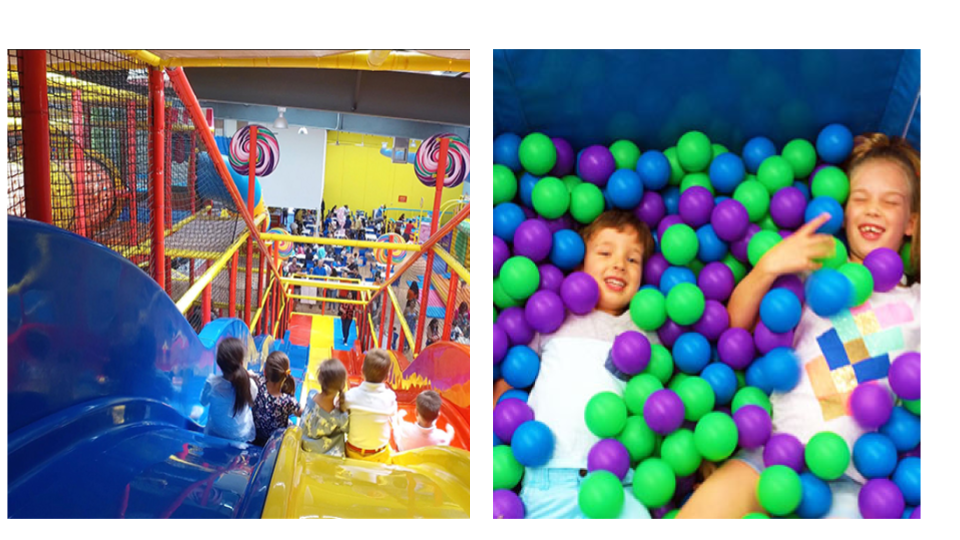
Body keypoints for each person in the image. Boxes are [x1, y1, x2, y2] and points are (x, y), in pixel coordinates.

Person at [678, 133, 921, 519]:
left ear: (911, 223)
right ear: (843, 210)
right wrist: (768, 266)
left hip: (853, 479)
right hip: (773, 454)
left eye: (890, 202)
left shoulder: (918, 303)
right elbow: (734, 328)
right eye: (860, 199)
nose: (874, 210)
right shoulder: (813, 273)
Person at [519, 209, 657, 519]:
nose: (619, 264)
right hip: (547, 480)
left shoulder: (644, 329)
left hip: (617, 482)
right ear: (580, 264)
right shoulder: (553, 316)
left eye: (633, 259)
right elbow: (515, 378)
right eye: (605, 253)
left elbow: (662, 402)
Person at [344, 349, 397, 463]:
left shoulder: (350, 395)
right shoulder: (390, 397)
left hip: (352, 453)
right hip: (379, 455)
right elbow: (393, 413)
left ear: (362, 371)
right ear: (387, 377)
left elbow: (337, 406)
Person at [200, 337, 258, 443]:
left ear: (219, 363)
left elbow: (203, 402)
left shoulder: (211, 383)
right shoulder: (250, 385)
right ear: (241, 363)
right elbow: (251, 402)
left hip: (215, 433)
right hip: (240, 435)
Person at [251, 351, 302, 446]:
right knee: (292, 426)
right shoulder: (288, 401)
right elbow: (302, 413)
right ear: (286, 374)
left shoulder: (259, 383)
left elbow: (251, 375)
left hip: (256, 436)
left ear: (265, 372)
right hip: (274, 443)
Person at [301, 358, 350, 456]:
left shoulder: (311, 395)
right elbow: (350, 430)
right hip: (327, 458)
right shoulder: (339, 417)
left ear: (320, 380)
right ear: (343, 386)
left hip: (305, 450)